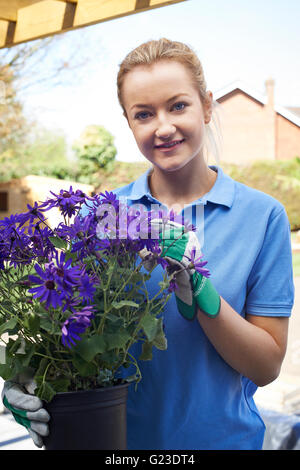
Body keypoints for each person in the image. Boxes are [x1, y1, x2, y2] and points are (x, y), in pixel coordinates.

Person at [2, 38, 294, 450]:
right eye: (144, 114)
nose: (163, 126)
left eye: (178, 105)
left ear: (207, 106)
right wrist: (29, 382)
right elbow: (67, 330)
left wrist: (202, 291)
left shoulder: (262, 216)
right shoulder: (103, 214)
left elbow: (266, 367)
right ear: (129, 123)